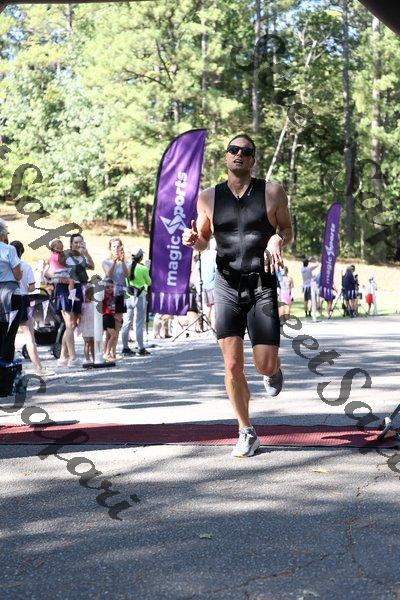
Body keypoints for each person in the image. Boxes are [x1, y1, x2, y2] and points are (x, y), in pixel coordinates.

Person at [182, 134, 293, 458]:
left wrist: (277, 239)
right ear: (226, 156)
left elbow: (287, 230)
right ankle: (246, 431)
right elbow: (204, 239)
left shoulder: (272, 192)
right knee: (232, 365)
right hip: (227, 285)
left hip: (262, 285)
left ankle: (273, 369)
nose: (239, 154)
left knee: (263, 365)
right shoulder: (208, 197)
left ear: (253, 159)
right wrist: (194, 241)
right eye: (234, 150)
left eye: (246, 151)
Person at [49, 233, 94, 367]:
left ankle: (63, 357)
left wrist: (86, 253)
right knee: (69, 324)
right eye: (76, 242)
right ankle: (72, 357)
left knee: (73, 324)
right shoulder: (64, 254)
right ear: (71, 244)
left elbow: (92, 266)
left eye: (81, 242)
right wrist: (59, 278)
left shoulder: (81, 256)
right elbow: (48, 270)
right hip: (64, 289)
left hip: (78, 288)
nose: (78, 245)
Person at [10, 241, 54, 376]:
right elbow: (32, 287)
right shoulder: (25, 266)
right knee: (29, 336)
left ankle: (8, 366)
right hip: (23, 299)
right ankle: (38, 367)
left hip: (8, 299)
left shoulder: (6, 266)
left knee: (8, 336)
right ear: (22, 252)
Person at [121, 247, 151, 356]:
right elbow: (149, 282)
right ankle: (140, 347)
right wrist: (147, 269)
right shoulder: (143, 268)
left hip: (128, 296)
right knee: (138, 323)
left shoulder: (127, 266)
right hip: (140, 296)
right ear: (141, 257)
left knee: (127, 322)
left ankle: (125, 347)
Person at [102, 237, 129, 358]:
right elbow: (108, 274)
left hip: (120, 294)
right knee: (109, 327)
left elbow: (127, 275)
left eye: (118, 246)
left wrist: (122, 262)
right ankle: (106, 352)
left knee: (117, 324)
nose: (116, 249)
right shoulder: (106, 261)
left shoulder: (124, 262)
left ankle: (113, 351)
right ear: (110, 248)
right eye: (114, 246)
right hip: (109, 296)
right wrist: (114, 261)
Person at [0, 220, 22, 364]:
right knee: (10, 330)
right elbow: (18, 275)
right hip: (10, 292)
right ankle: (7, 362)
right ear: (2, 234)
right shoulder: (9, 249)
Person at [77, 285, 95, 364]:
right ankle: (87, 359)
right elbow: (79, 315)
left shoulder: (95, 304)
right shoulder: (83, 305)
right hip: (86, 326)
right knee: (87, 343)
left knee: (91, 343)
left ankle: (94, 358)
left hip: (92, 326)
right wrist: (79, 324)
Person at [102, 278, 118, 361]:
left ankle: (106, 353)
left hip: (111, 316)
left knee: (108, 337)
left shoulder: (112, 296)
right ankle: (107, 353)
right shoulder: (103, 296)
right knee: (114, 335)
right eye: (107, 287)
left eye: (112, 287)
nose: (110, 289)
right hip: (106, 316)